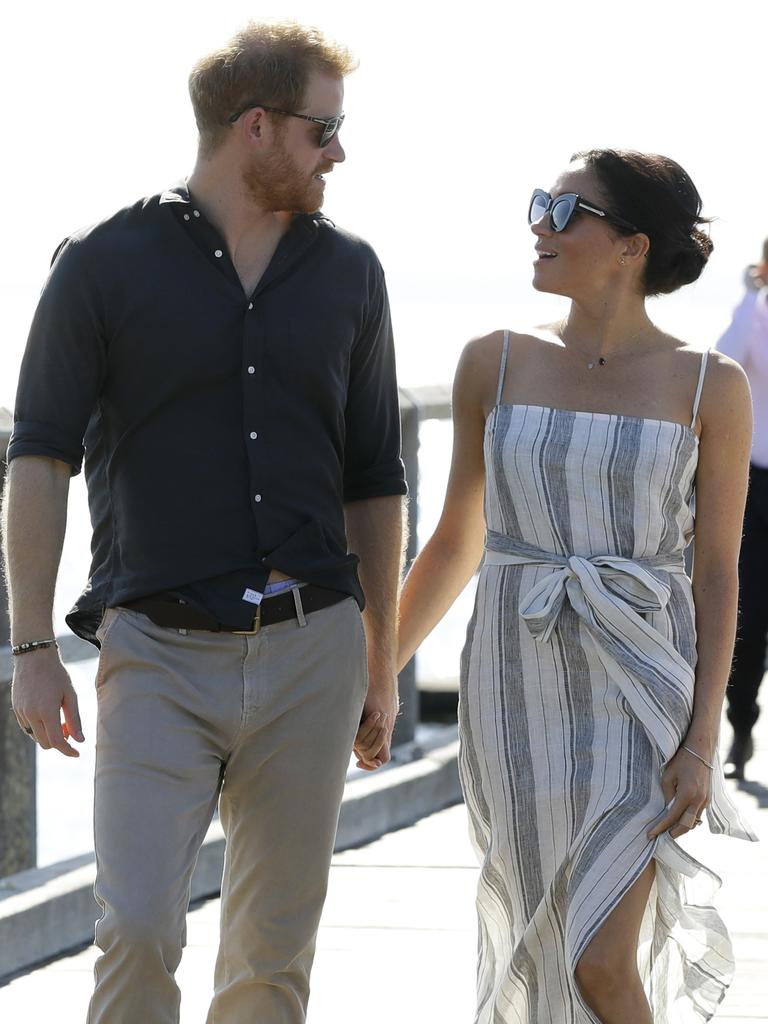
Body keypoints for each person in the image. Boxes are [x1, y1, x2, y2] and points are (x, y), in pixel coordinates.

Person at [3, 21, 405, 1024]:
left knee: (272, 956)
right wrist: (32, 645)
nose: (339, 152)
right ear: (256, 127)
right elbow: (39, 457)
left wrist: (382, 658)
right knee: (136, 925)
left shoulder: (353, 274)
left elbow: (374, 478)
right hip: (156, 653)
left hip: (313, 648)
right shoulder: (102, 264)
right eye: (324, 131)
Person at [397, 149, 757, 1023]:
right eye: (539, 205)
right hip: (512, 685)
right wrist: (376, 673)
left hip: (644, 689)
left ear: (631, 245)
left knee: (600, 960)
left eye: (565, 212)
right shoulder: (497, 361)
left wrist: (702, 738)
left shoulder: (713, 385)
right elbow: (454, 539)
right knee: (544, 933)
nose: (539, 225)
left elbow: (714, 571)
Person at [715, 240, 768, 779]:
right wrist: (752, 298)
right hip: (754, 485)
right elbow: (723, 359)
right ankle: (743, 732)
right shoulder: (754, 315)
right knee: (748, 619)